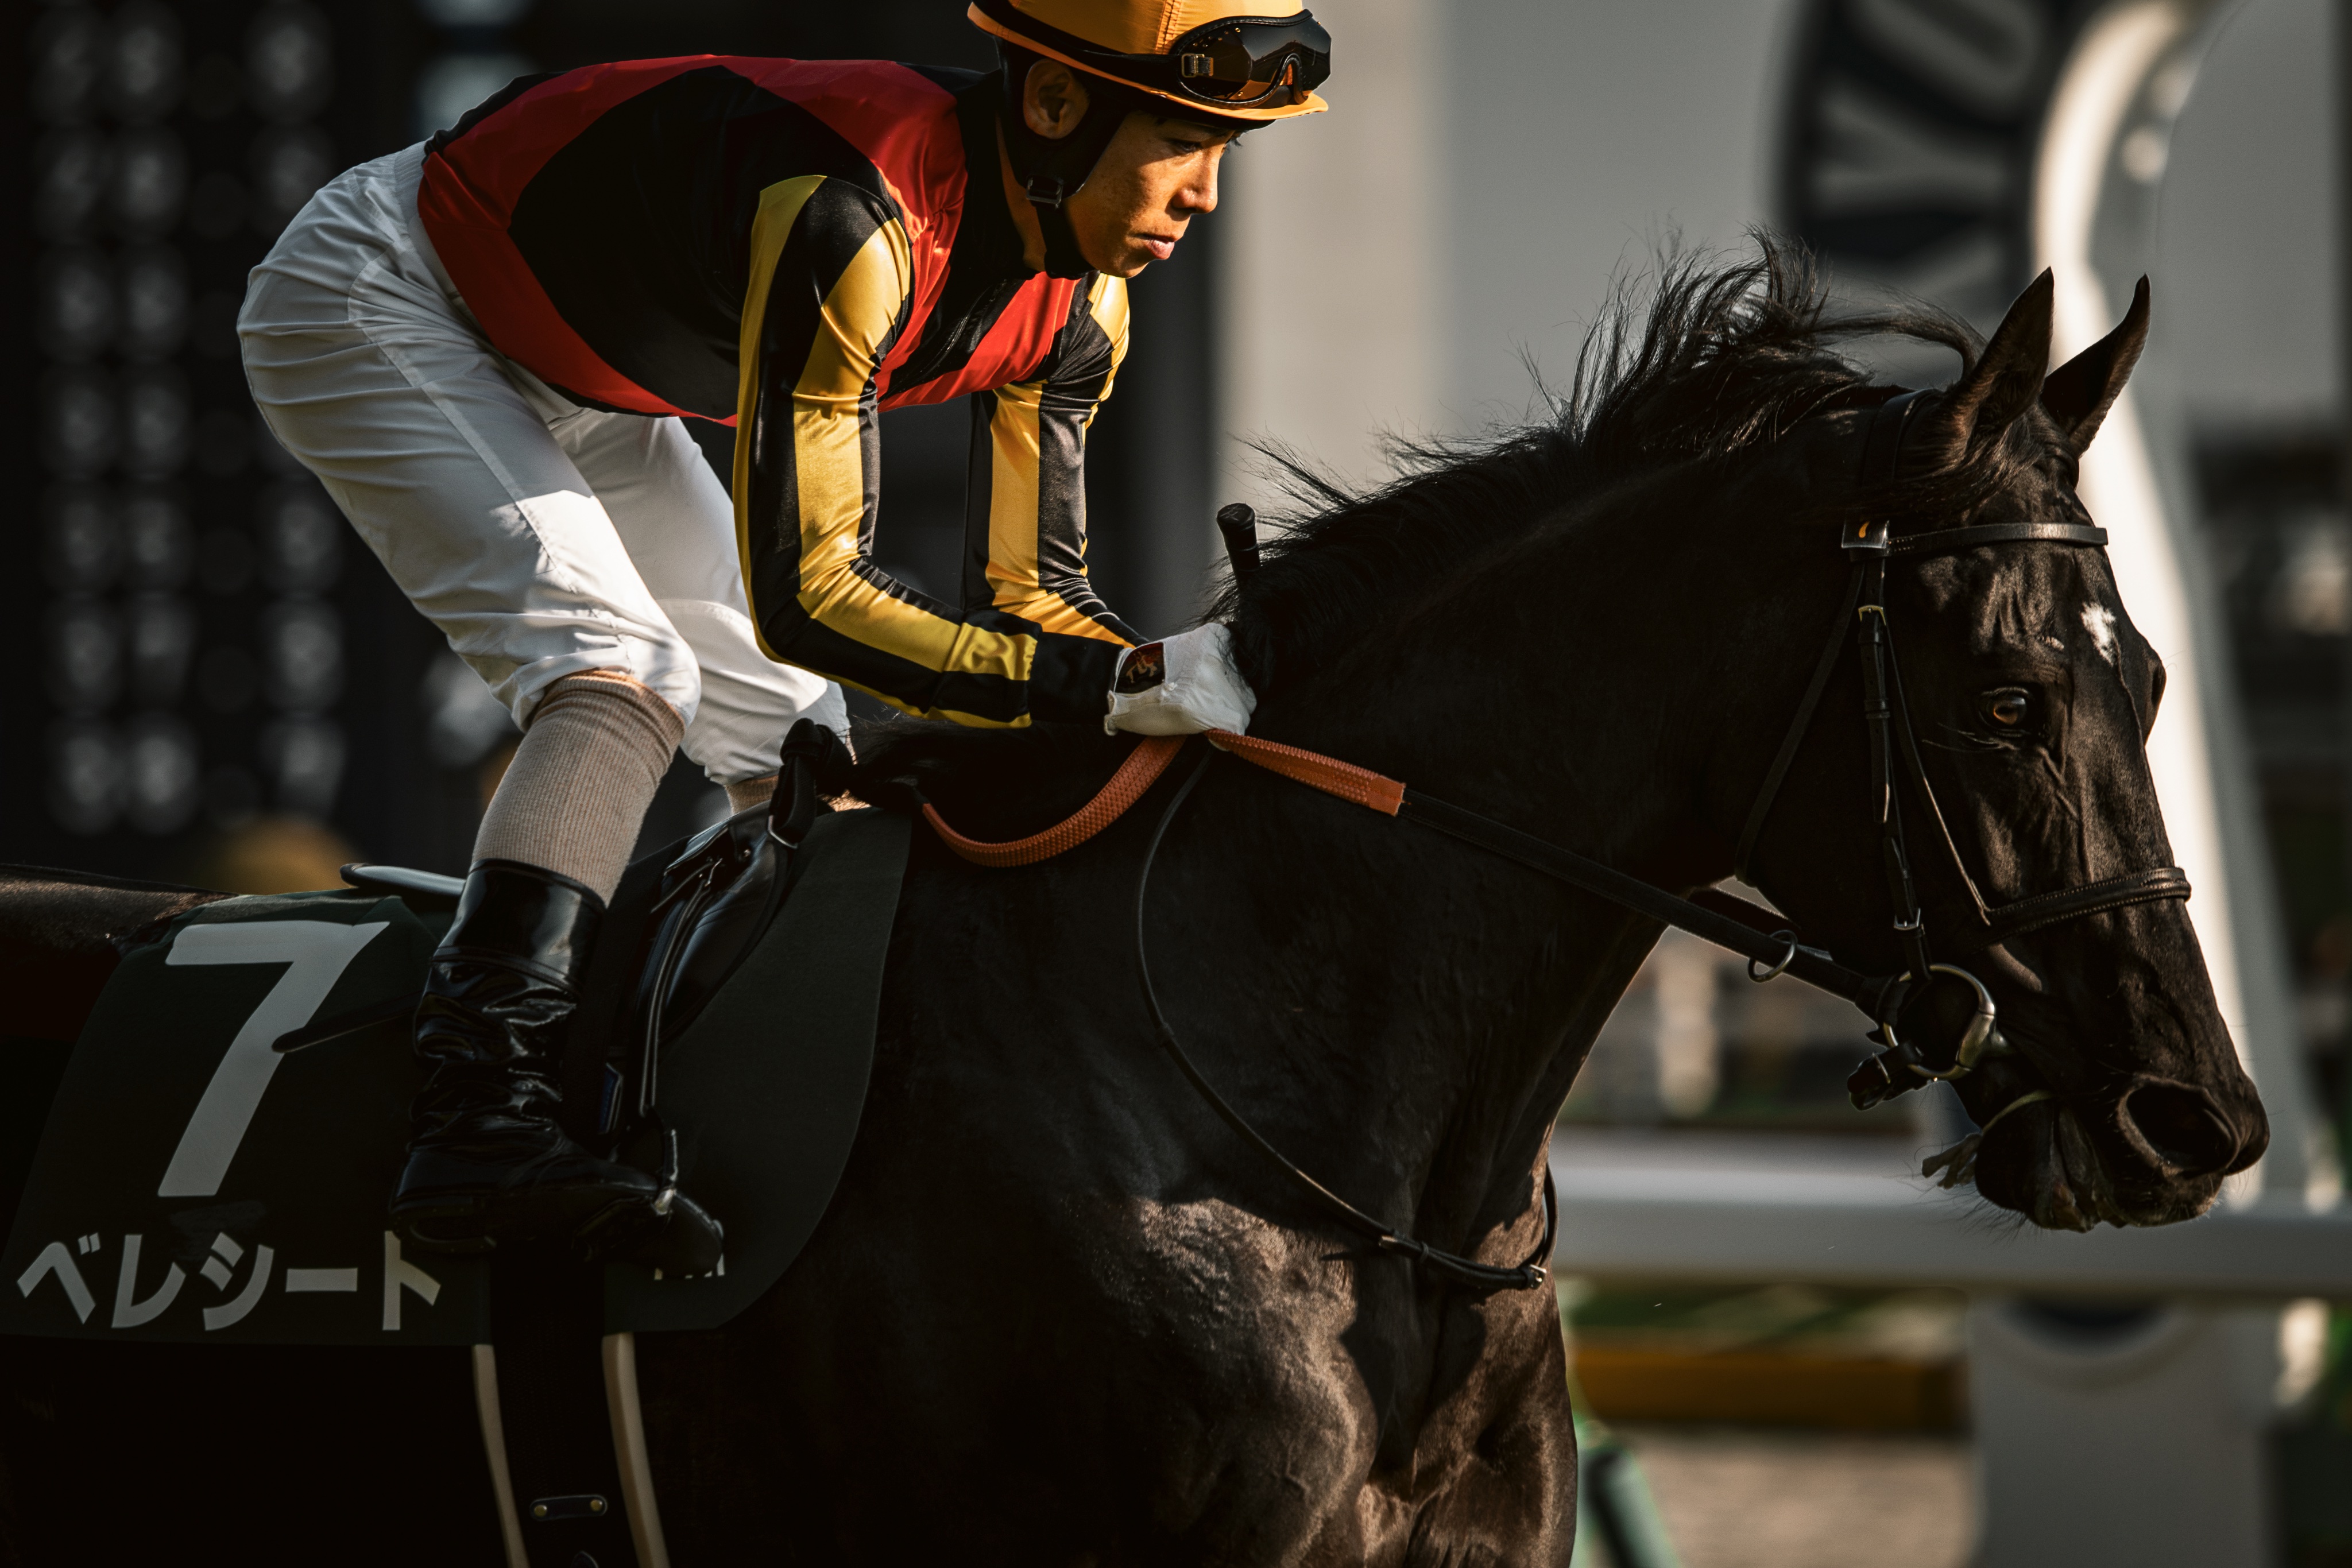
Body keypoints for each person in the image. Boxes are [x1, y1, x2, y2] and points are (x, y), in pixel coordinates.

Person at [238, 0, 1333, 1266]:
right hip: (389, 289)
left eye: (1224, 150)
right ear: (1051, 105)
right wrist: (1112, 685)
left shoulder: (1087, 307)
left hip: (581, 371)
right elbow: (810, 597)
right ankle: (474, 1116)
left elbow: (1037, 604)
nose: (1203, 194)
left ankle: (728, 1090)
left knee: (810, 752)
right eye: (1180, 142)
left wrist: (1160, 693)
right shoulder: (854, 215)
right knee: (619, 676)